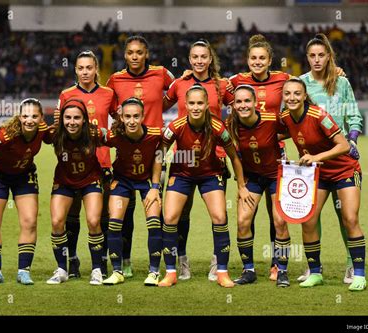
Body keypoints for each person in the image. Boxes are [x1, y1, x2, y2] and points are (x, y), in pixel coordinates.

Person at [149, 84, 256, 288]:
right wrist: (155, 186)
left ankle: (222, 272)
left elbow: (234, 157)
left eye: (200, 103)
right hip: (181, 174)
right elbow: (158, 155)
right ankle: (171, 272)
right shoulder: (175, 127)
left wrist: (241, 185)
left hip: (210, 174)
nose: (196, 107)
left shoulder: (218, 128)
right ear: (185, 105)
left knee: (220, 217)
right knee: (170, 218)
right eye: (192, 103)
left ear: (207, 104)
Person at [280, 78, 366, 291]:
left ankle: (359, 274)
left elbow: (344, 145)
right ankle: (315, 272)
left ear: (304, 95)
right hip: (317, 174)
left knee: (350, 218)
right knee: (308, 219)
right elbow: (281, 134)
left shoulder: (319, 116)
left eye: (297, 94)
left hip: (344, 170)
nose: (292, 98)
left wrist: (317, 156)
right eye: (288, 94)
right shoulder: (285, 117)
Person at [163, 38, 234, 281]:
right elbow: (158, 104)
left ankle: (218, 262)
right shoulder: (180, 83)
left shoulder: (222, 85)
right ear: (189, 59)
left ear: (210, 58)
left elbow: (243, 108)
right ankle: (181, 261)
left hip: (214, 156)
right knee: (181, 213)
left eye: (204, 56)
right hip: (183, 156)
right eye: (195, 57)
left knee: (218, 214)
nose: (199, 61)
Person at [107, 35, 175, 277]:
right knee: (123, 215)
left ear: (147, 54)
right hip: (126, 152)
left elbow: (176, 92)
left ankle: (161, 267)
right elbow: (109, 106)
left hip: (154, 151)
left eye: (139, 52)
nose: (134, 57)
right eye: (130, 53)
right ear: (125, 55)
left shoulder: (161, 73)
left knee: (158, 213)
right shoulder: (115, 79)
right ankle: (123, 262)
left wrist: (157, 110)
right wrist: (123, 123)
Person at [298, 33, 363, 284]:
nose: (316, 60)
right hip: (312, 161)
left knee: (346, 216)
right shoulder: (300, 84)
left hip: (341, 156)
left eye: (321, 55)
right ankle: (314, 268)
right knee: (310, 216)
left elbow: (354, 115)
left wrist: (353, 140)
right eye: (312, 55)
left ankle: (351, 264)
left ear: (328, 57)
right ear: (307, 57)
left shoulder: (341, 82)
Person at [228, 34, 291, 281]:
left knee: (278, 219)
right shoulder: (236, 82)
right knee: (245, 218)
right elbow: (212, 83)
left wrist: (334, 71)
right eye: (253, 58)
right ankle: (249, 269)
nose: (257, 61)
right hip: (250, 164)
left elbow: (304, 89)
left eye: (262, 58)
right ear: (247, 60)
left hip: (275, 156)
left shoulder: (283, 79)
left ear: (270, 60)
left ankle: (279, 266)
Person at [55, 50, 117, 279]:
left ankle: (100, 264)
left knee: (100, 217)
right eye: (80, 68)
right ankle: (71, 259)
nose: (85, 72)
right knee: (71, 216)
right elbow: (60, 131)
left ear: (96, 70)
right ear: (75, 70)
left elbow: (119, 123)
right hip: (73, 164)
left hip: (102, 163)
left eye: (89, 68)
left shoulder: (109, 94)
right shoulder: (66, 94)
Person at [0, 98, 53, 285]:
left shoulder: (43, 130)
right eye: (26, 116)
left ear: (41, 118)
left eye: (35, 116)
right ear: (19, 117)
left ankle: (24, 271)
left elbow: (53, 138)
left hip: (24, 176)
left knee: (29, 221)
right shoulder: (5, 135)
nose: (30, 120)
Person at [101, 97, 163, 286]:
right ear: (121, 116)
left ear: (143, 116)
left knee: (154, 222)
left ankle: (154, 272)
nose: (132, 121)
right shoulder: (114, 135)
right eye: (127, 116)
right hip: (122, 182)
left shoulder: (155, 135)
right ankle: (117, 271)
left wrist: (155, 187)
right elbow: (94, 140)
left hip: (146, 182)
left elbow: (159, 157)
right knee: (114, 222)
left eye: (136, 116)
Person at [47, 98, 105, 285]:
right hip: (64, 181)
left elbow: (119, 139)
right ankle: (62, 269)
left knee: (94, 221)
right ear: (61, 119)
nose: (72, 122)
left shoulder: (94, 134)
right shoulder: (54, 134)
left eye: (77, 118)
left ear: (84, 120)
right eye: (68, 117)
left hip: (90, 180)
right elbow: (29, 135)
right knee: (57, 222)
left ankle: (97, 269)